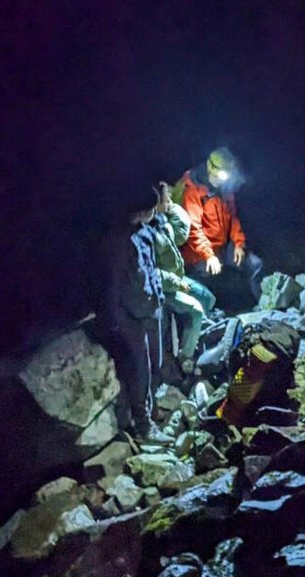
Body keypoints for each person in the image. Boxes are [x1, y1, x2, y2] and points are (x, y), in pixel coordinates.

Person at [99, 187, 174, 444]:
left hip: (151, 307)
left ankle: (152, 413)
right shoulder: (119, 241)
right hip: (131, 315)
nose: (155, 210)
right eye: (151, 207)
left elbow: (150, 269)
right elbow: (112, 283)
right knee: (140, 370)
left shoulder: (145, 232)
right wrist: (114, 319)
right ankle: (143, 426)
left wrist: (159, 300)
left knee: (155, 363)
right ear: (139, 210)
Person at [176, 147, 265, 301]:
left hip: (223, 246)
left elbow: (233, 217)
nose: (225, 180)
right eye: (222, 175)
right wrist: (209, 255)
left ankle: (265, 304)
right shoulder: (193, 191)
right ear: (211, 168)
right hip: (199, 253)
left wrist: (239, 243)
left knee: (255, 264)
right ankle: (206, 315)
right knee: (203, 285)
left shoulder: (224, 189)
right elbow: (194, 229)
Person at [151, 181, 217, 373]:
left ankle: (195, 332)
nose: (170, 200)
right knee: (196, 310)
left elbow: (181, 234)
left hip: (177, 277)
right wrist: (175, 283)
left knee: (207, 297)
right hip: (163, 286)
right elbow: (149, 271)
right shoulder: (150, 233)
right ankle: (185, 358)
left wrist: (172, 208)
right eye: (166, 198)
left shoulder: (163, 222)